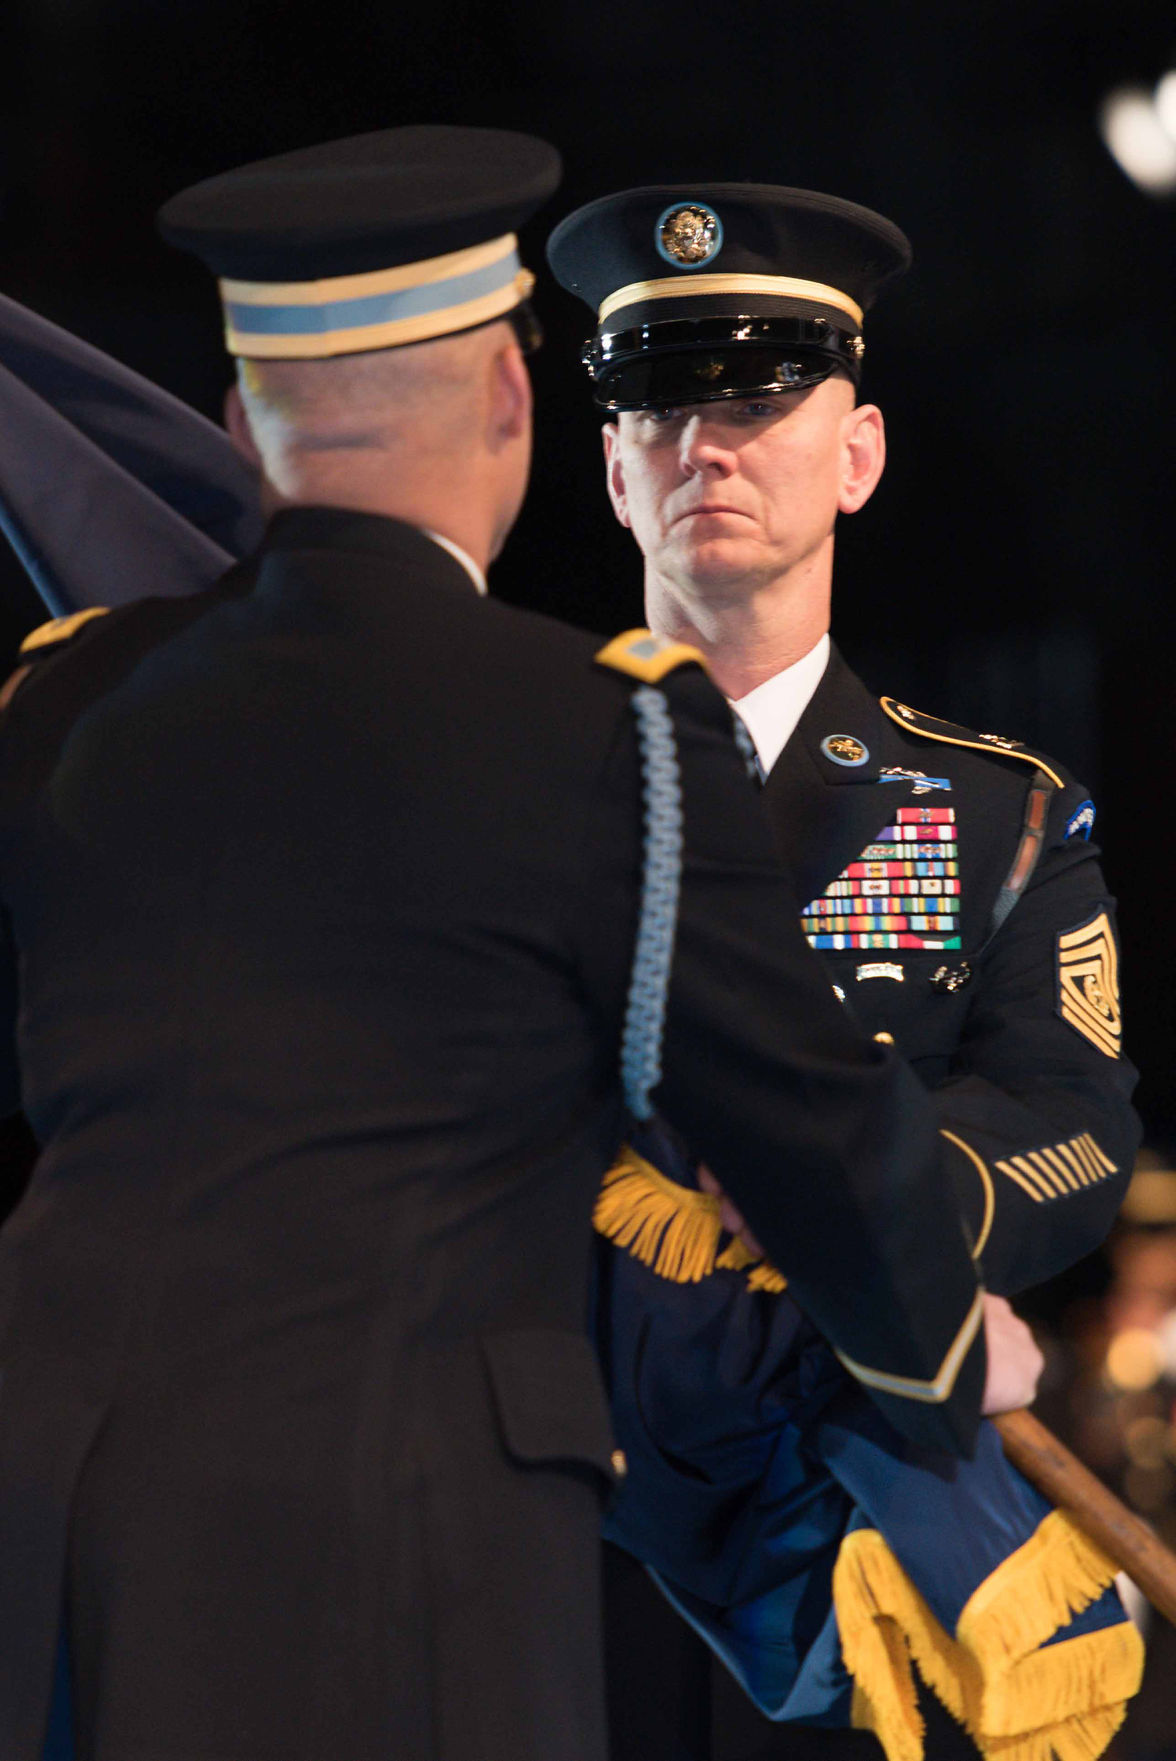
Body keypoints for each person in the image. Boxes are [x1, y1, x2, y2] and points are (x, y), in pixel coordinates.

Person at [0, 130, 1022, 1761]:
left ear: (236, 416)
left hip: (54, 1517)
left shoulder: (58, 701)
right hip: (403, 1544)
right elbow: (810, 1127)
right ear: (514, 405)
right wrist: (951, 1365)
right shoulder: (603, 730)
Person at [547, 185, 1143, 1761]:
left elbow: (1076, 1120)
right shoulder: (506, 784)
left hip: (844, 1517)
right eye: (661, 411)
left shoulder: (994, 813)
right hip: (550, 1496)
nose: (706, 447)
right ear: (614, 469)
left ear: (858, 454)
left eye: (754, 398)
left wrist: (893, 1210)